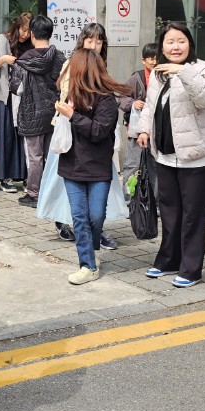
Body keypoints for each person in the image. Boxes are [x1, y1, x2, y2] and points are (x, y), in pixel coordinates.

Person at [136, 22, 205, 288]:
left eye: (181, 41)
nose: (175, 47)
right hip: (165, 153)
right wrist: (143, 130)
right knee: (170, 211)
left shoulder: (203, 69)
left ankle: (191, 269)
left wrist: (183, 71)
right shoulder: (159, 73)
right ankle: (169, 260)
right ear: (162, 47)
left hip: (195, 155)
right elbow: (150, 105)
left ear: (190, 44)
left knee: (194, 214)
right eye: (170, 42)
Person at [53, 48, 128, 286]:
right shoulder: (69, 95)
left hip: (98, 167)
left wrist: (72, 116)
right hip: (71, 166)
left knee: (96, 216)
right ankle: (88, 265)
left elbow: (98, 131)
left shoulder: (106, 99)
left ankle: (91, 247)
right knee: (79, 217)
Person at [11, 15, 66, 207]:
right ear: (50, 34)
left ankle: (34, 193)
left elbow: (17, 89)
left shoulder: (23, 61)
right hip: (55, 114)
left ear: (32, 34)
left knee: (35, 157)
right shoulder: (60, 58)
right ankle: (53, 192)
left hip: (31, 114)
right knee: (53, 154)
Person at [0, 12, 31, 193]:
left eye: (29, 31)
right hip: (5, 98)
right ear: (17, 27)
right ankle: (4, 177)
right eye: (23, 30)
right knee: (5, 137)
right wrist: (3, 59)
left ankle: (24, 176)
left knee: (23, 138)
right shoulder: (2, 41)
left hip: (25, 98)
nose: (25, 34)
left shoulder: (31, 45)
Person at [121, 43, 158, 185]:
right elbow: (120, 97)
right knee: (133, 165)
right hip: (137, 130)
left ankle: (156, 197)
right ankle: (129, 196)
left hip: (157, 131)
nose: (154, 62)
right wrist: (133, 103)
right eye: (151, 59)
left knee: (156, 167)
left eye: (157, 58)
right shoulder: (137, 78)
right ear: (143, 60)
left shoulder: (165, 77)